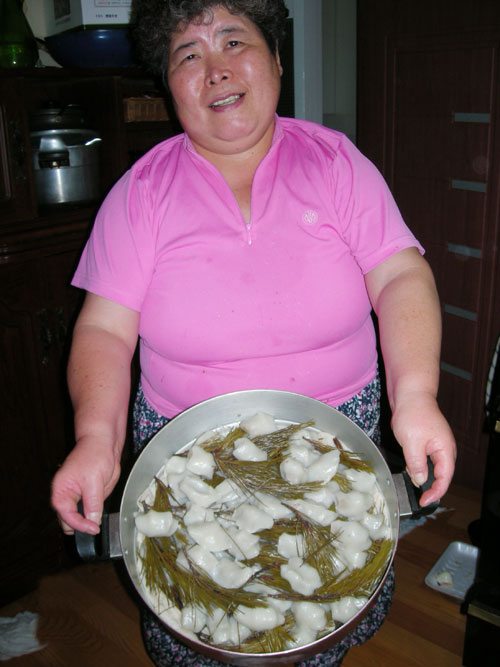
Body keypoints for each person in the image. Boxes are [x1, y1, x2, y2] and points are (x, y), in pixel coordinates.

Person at [51, 1, 456, 665]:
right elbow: (103, 330)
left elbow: (401, 278)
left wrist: (417, 394)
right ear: (168, 84)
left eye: (233, 40)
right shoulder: (140, 193)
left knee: (315, 617)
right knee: (203, 625)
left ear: (275, 60)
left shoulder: (336, 164)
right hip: (187, 454)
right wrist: (97, 438)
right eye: (188, 54)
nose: (214, 69)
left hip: (334, 438)